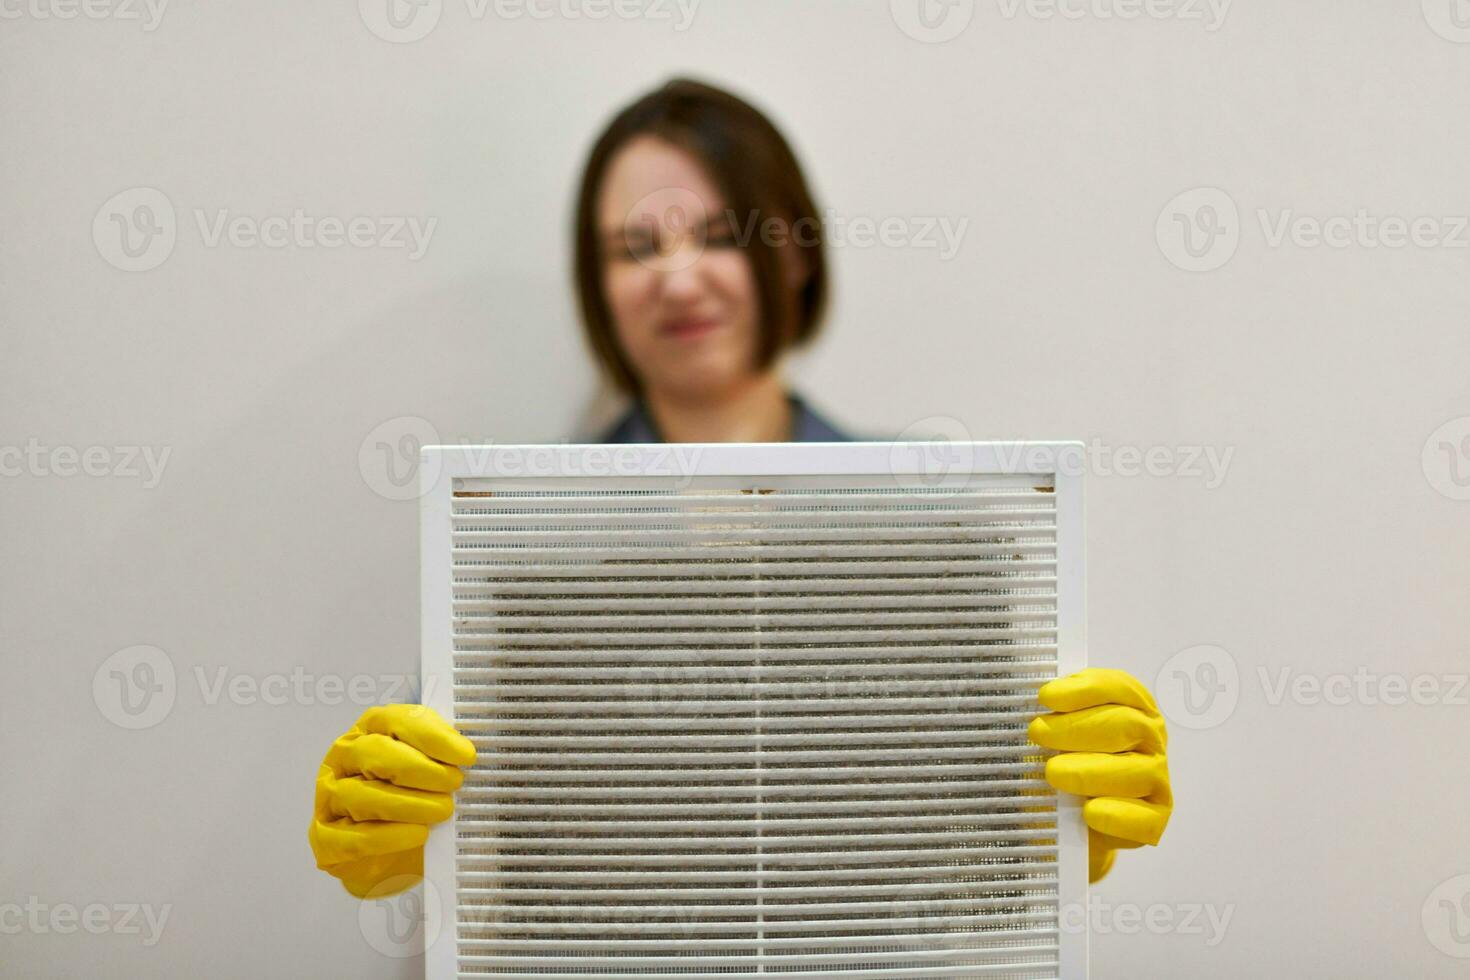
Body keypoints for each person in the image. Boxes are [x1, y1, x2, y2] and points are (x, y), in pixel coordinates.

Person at [308, 78, 1173, 900]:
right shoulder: (522, 547)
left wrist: (1052, 831)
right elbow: (475, 821)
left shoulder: (934, 528)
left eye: (722, 235)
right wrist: (389, 820)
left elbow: (969, 860)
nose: (678, 278)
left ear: (794, 253)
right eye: (635, 248)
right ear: (599, 290)